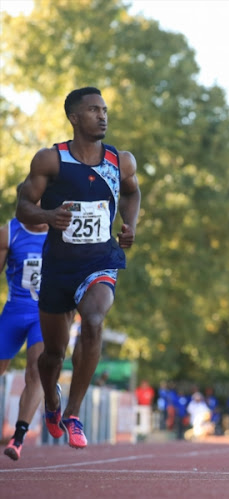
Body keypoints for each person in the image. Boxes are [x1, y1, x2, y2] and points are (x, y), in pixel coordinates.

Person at [16, 86, 141, 449]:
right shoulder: (50, 160)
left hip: (100, 260)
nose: (102, 115)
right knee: (51, 356)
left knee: (95, 321)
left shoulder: (122, 161)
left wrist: (129, 224)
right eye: (93, 110)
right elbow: (23, 205)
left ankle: (73, 413)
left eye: (104, 110)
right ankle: (52, 401)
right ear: (74, 117)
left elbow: (132, 192)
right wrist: (47, 215)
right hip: (58, 267)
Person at [1, 189, 48, 461]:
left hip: (45, 315)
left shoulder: (59, 232)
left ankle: (18, 437)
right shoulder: (9, 232)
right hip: (14, 312)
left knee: (35, 370)